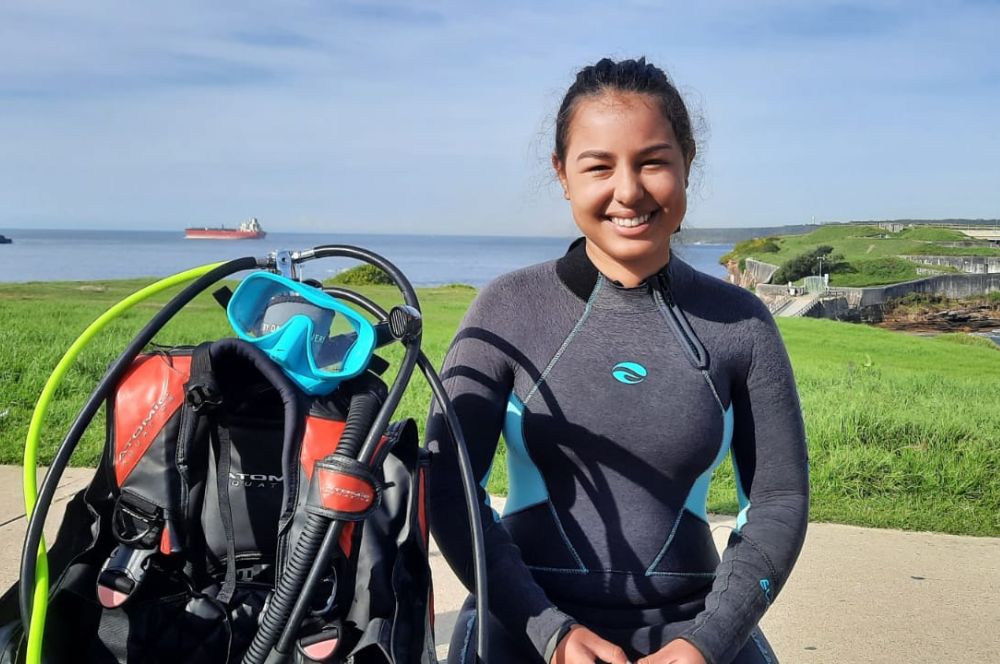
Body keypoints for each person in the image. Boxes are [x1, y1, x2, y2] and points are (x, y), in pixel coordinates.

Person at [426, 57, 809, 664]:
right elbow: (447, 483)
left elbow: (779, 500)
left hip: (694, 628)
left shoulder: (741, 324)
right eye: (599, 166)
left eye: (652, 161)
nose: (627, 191)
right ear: (563, 174)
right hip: (523, 619)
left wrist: (705, 644)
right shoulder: (507, 308)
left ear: (688, 163)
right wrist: (550, 633)